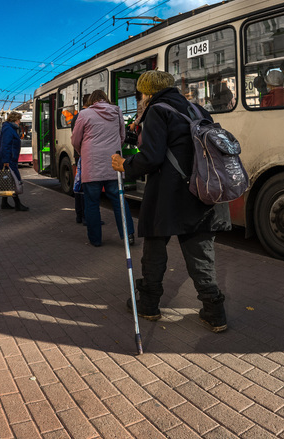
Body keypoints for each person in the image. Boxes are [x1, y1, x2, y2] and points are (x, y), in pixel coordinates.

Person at [111, 70, 231, 332]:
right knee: (201, 254)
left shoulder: (157, 110)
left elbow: (151, 158)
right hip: (202, 190)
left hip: (168, 193)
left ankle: (149, 305)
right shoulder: (197, 109)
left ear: (147, 92)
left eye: (142, 94)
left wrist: (124, 164)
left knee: (154, 248)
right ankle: (214, 312)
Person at [71, 89, 135, 247]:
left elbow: (75, 140)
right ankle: (128, 235)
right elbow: (122, 136)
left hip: (91, 164)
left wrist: (83, 152)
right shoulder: (117, 111)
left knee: (92, 202)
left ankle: (95, 239)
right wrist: (114, 148)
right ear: (105, 99)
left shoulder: (84, 114)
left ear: (92, 101)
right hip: (114, 163)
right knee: (119, 200)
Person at [0, 111, 29, 212]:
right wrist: (6, 160)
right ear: (14, 120)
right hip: (8, 160)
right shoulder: (8, 129)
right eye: (19, 119)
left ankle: (4, 203)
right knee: (13, 181)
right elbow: (6, 145)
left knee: (7, 180)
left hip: (9, 158)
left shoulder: (9, 128)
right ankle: (18, 204)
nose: (19, 122)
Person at [71, 94, 91, 223]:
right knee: (84, 187)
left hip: (80, 154)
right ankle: (84, 216)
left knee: (79, 186)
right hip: (84, 155)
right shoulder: (84, 116)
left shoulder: (77, 116)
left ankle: (80, 215)